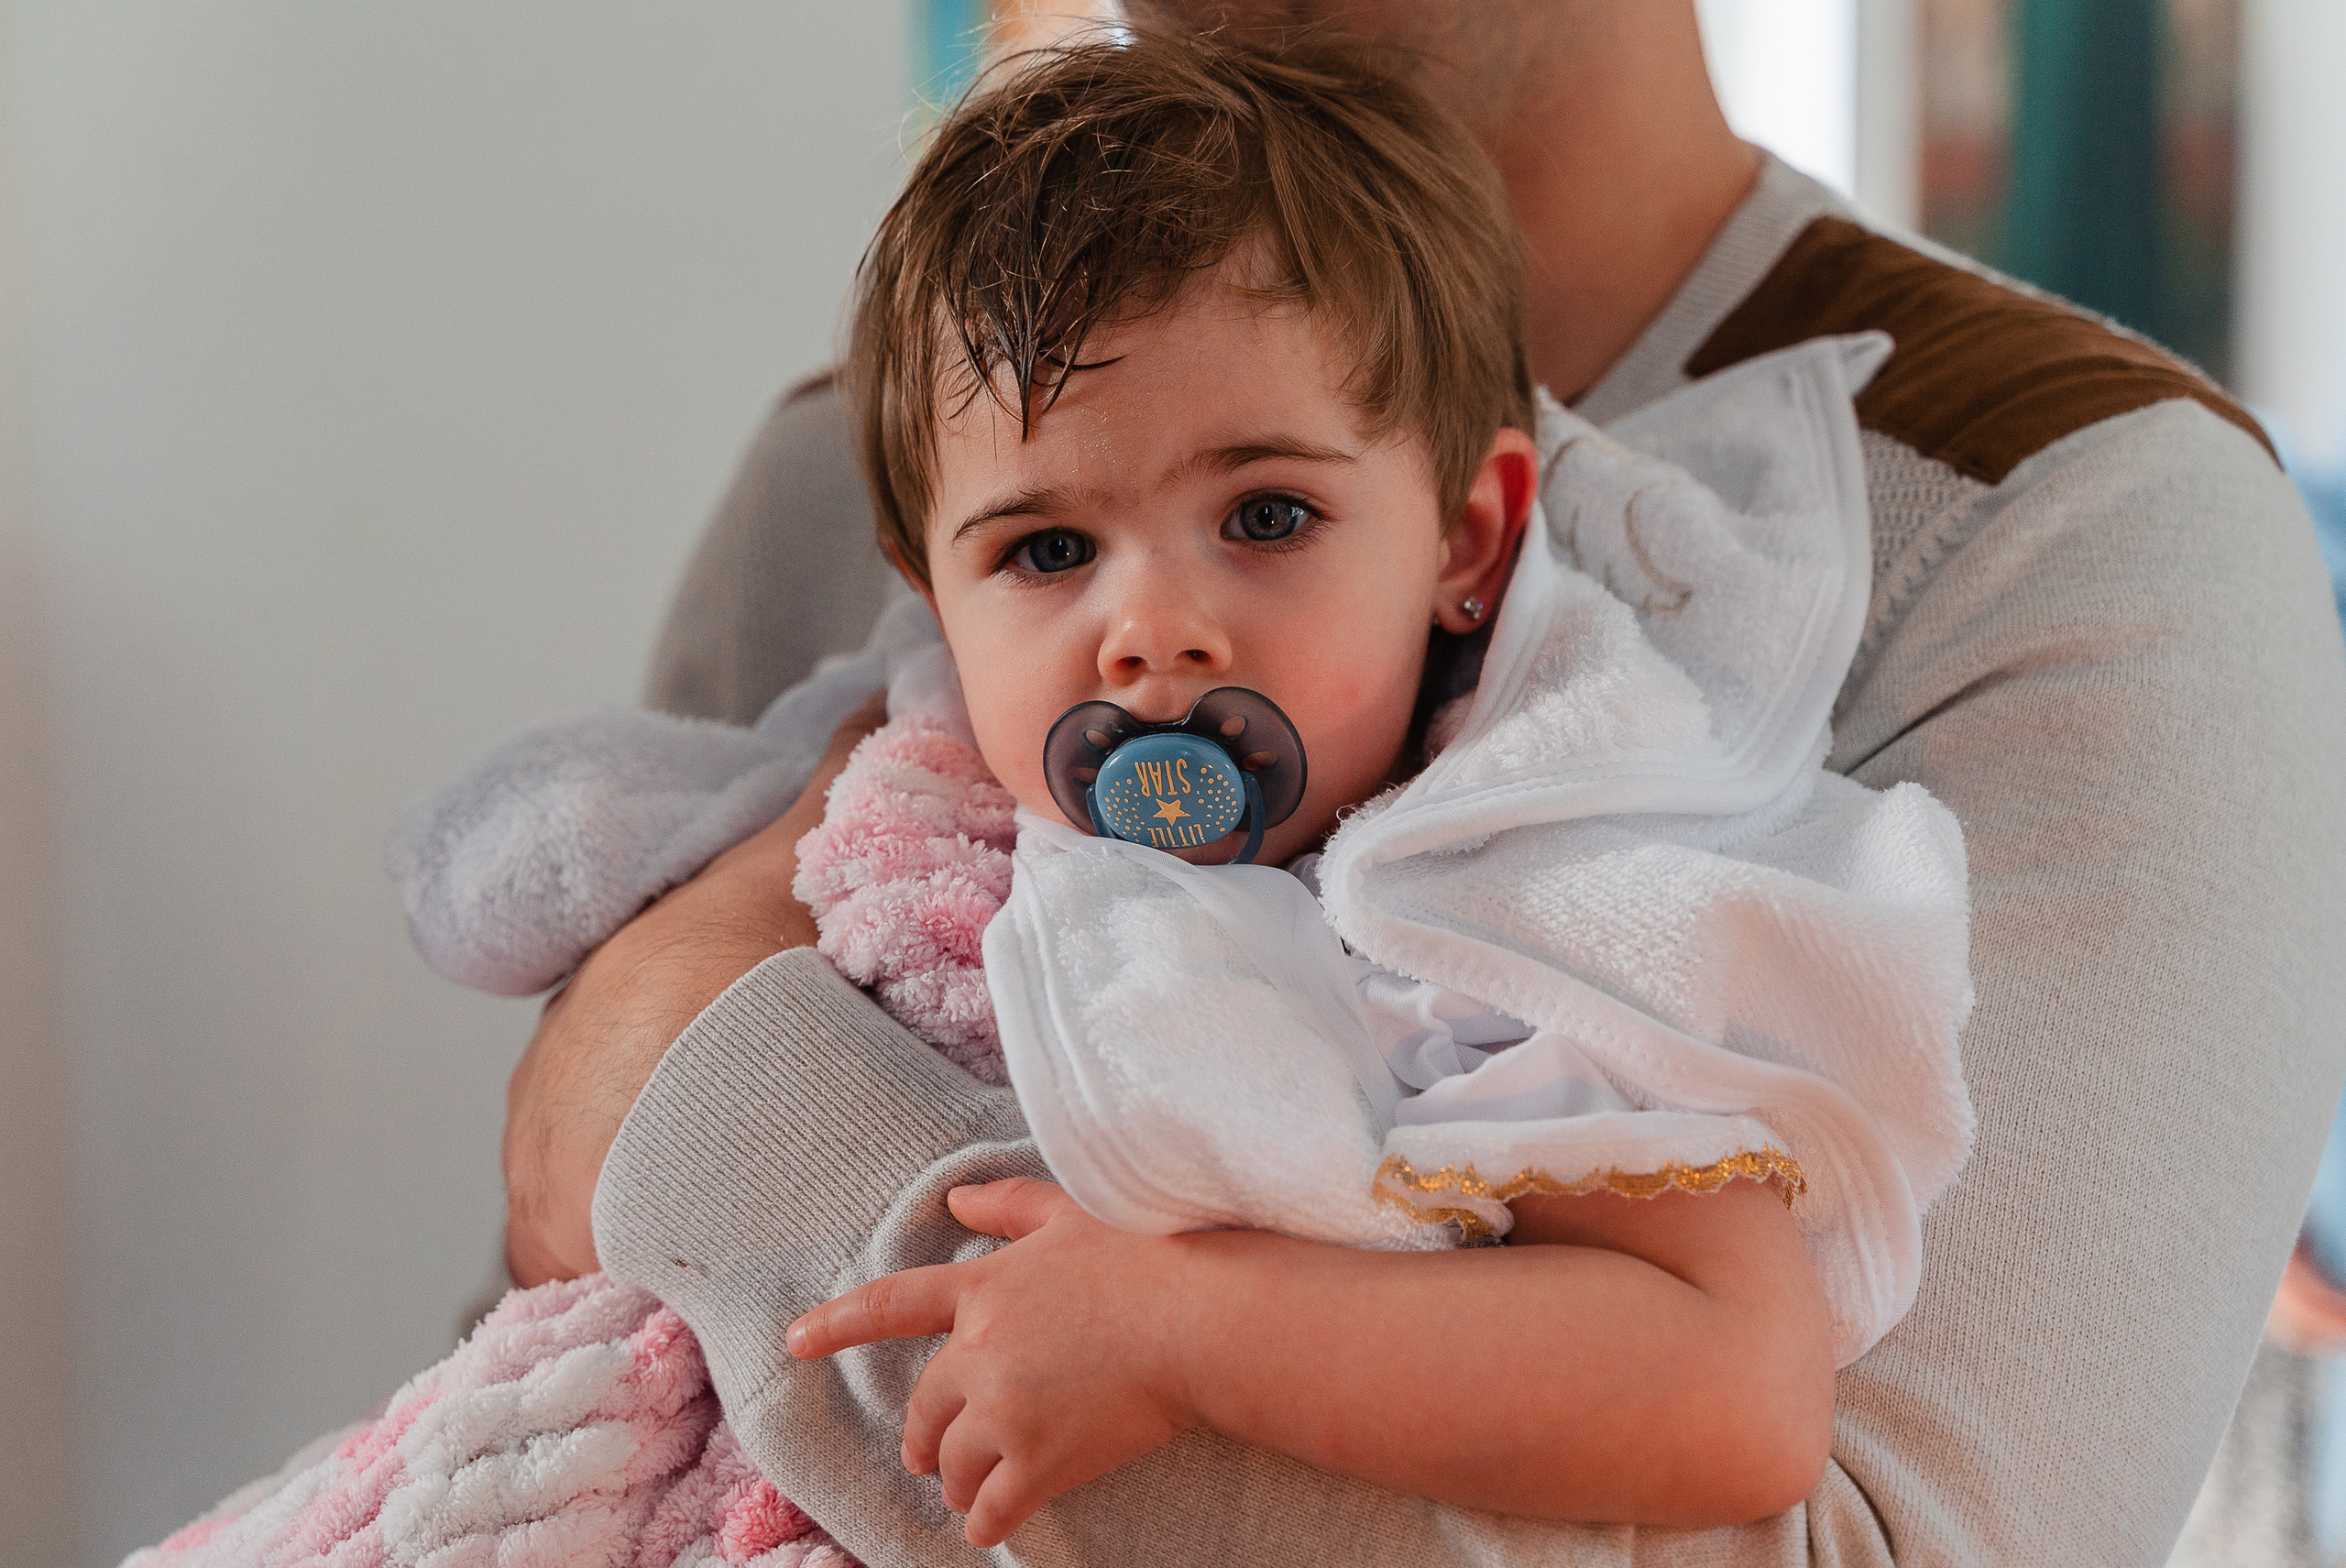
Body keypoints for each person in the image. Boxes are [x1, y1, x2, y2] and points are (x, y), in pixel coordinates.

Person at [507, 3, 2346, 1563]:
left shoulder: (2083, 529)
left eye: (1268, 515)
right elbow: (559, 1408)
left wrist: (682, 1060)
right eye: (1044, 553)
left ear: (1479, 534)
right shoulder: (854, 468)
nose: (1145, 629)